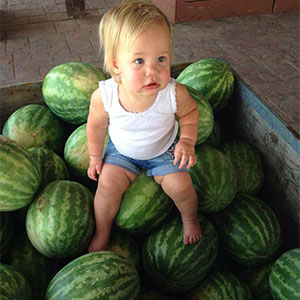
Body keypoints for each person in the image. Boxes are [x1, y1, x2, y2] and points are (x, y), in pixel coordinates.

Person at [86, 1, 201, 252]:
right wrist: (95, 156)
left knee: (182, 187)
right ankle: (102, 232)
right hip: (121, 152)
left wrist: (187, 141)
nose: (153, 71)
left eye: (161, 58)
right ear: (116, 65)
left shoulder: (173, 93)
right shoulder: (105, 96)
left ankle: (190, 219)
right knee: (106, 188)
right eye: (139, 61)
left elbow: (190, 114)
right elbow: (95, 126)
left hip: (164, 152)